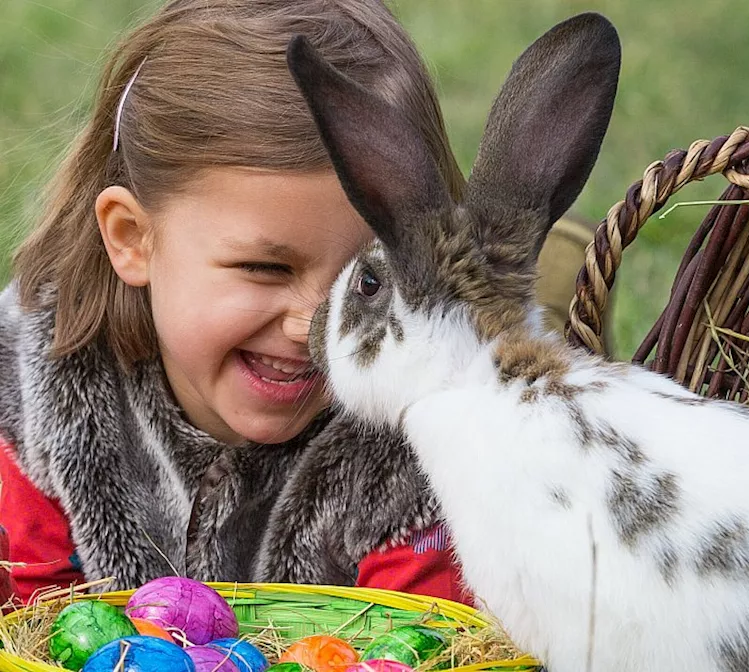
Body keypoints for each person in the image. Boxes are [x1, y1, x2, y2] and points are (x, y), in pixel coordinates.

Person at [0, 0, 604, 606]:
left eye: (366, 277)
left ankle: (521, 285)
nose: (309, 324)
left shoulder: (434, 430)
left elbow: (427, 636)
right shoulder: (36, 391)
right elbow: (36, 618)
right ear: (132, 239)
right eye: (265, 267)